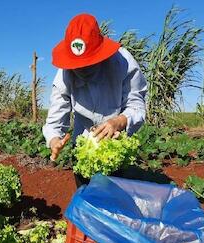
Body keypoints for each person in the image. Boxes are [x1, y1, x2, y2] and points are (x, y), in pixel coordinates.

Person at [42, 13, 147, 187]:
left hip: (115, 142)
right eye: (77, 66)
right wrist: (54, 140)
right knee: (86, 197)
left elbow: (136, 105)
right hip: (84, 145)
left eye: (88, 63)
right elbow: (55, 118)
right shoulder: (64, 75)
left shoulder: (123, 63)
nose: (82, 69)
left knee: (114, 199)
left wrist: (119, 121)